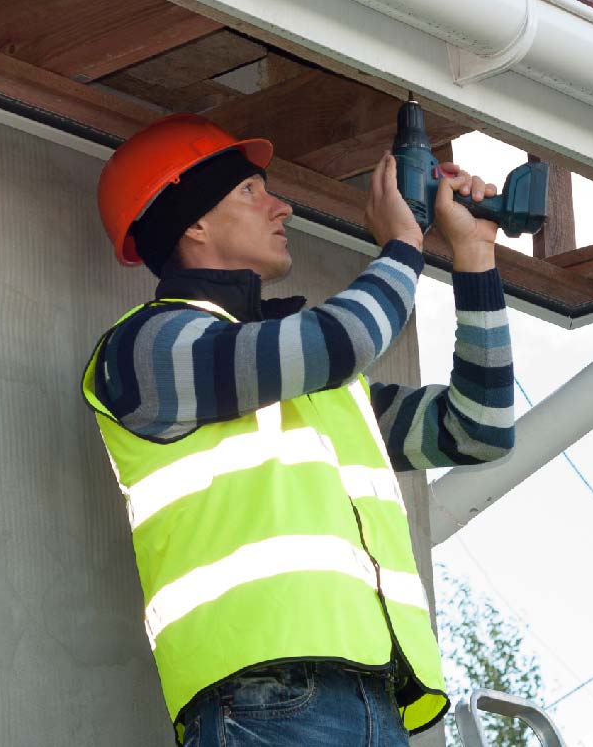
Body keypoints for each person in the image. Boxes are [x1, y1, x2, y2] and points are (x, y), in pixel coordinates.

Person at [80, 114, 516, 747]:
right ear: (193, 224)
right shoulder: (147, 349)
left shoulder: (320, 388)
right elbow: (343, 340)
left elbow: (478, 428)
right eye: (250, 192)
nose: (281, 205)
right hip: (262, 699)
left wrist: (475, 256)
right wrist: (402, 245)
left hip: (376, 701)